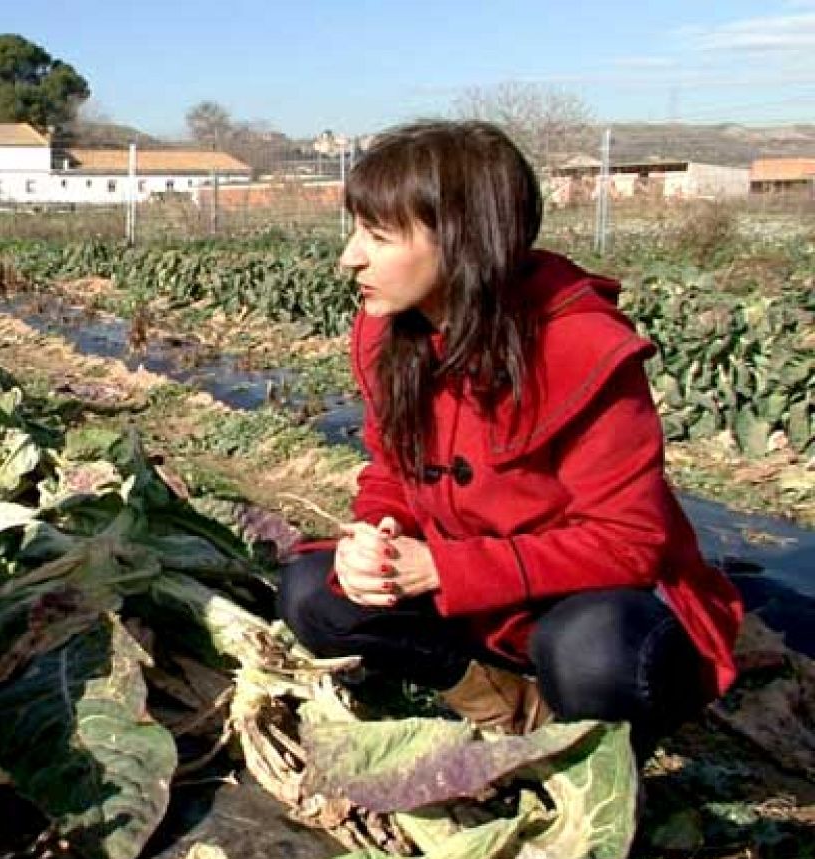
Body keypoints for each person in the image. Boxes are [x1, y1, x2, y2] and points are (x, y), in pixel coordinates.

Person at [276, 120, 743, 752]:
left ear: (463, 242)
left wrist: (444, 567)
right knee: (314, 592)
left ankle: (596, 764)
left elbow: (629, 545)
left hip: (588, 604)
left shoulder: (582, 349)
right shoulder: (391, 335)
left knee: (596, 653)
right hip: (479, 602)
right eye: (356, 229)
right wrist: (377, 536)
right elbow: (392, 471)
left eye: (378, 236)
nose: (349, 257)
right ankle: (507, 704)